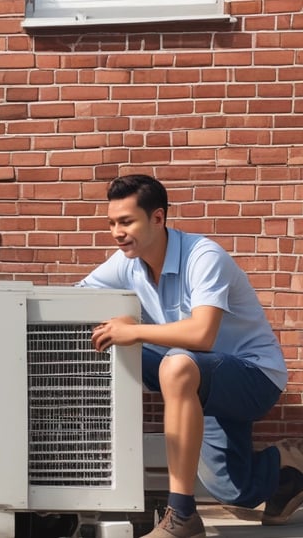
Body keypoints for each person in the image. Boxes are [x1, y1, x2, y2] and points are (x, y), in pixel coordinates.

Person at [78, 174, 302, 538]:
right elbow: (75, 302)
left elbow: (202, 334)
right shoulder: (126, 263)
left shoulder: (203, 256)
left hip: (253, 378)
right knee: (234, 491)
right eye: (112, 223)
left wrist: (133, 330)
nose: (117, 232)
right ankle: (286, 469)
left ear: (158, 218)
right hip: (194, 380)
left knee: (175, 361)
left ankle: (182, 515)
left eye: (127, 221)